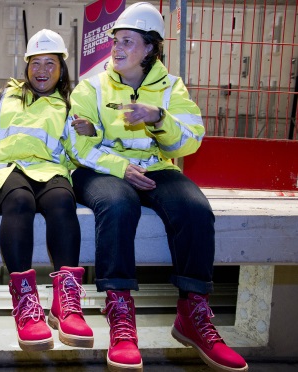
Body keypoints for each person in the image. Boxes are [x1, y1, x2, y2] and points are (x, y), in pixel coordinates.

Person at [65, 3, 249, 371]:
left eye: (128, 42)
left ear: (150, 48)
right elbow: (76, 144)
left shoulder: (171, 88)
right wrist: (120, 167)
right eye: (115, 40)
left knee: (194, 208)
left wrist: (159, 118)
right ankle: (120, 314)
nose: (117, 48)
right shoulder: (90, 86)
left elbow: (190, 141)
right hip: (100, 168)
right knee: (118, 205)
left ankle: (192, 313)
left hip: (154, 166)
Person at [0, 29, 92, 352]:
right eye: (36, 63)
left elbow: (77, 151)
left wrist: (89, 132)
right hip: (3, 170)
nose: (42, 70)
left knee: (63, 200)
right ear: (26, 66)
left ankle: (67, 303)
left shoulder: (67, 105)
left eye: (50, 63)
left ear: (61, 69)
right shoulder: (1, 97)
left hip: (47, 170)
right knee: (19, 200)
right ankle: (26, 304)